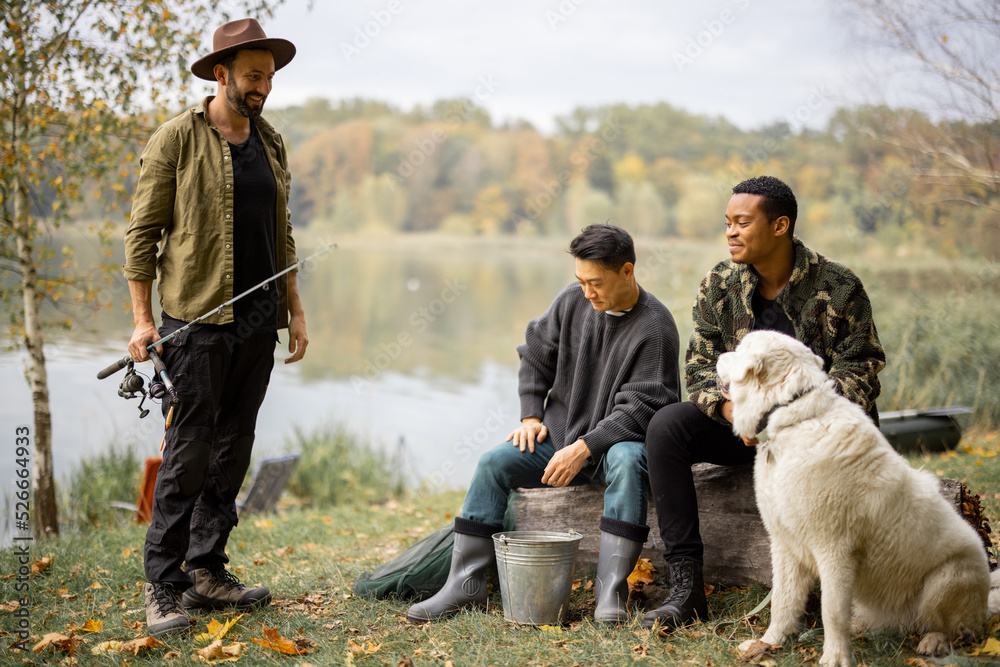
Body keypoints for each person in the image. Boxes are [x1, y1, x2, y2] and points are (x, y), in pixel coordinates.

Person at [122, 18, 308, 638]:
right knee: (190, 449)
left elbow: (281, 235)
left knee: (234, 448)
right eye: (254, 75)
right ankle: (163, 584)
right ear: (222, 73)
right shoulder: (176, 139)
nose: (264, 86)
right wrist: (143, 320)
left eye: (270, 76)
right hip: (194, 320)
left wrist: (296, 310)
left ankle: (206, 570)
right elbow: (142, 235)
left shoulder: (272, 142)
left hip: (258, 321)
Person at [641, 175, 886, 629]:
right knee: (666, 426)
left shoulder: (839, 285)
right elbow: (698, 367)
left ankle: (834, 585)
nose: (730, 231)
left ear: (780, 226)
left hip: (823, 440)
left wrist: (798, 422)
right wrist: (731, 411)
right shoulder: (718, 283)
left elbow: (863, 367)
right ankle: (687, 586)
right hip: (749, 432)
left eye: (742, 222)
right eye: (727, 222)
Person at [407, 224, 681, 625]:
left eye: (596, 283)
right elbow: (535, 352)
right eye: (581, 281)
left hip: (614, 448)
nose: (587, 293)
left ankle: (610, 594)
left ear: (627, 271)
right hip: (560, 438)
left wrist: (586, 446)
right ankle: (465, 586)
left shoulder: (655, 328)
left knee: (626, 456)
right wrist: (531, 415)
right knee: (493, 462)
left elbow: (644, 407)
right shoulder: (574, 301)